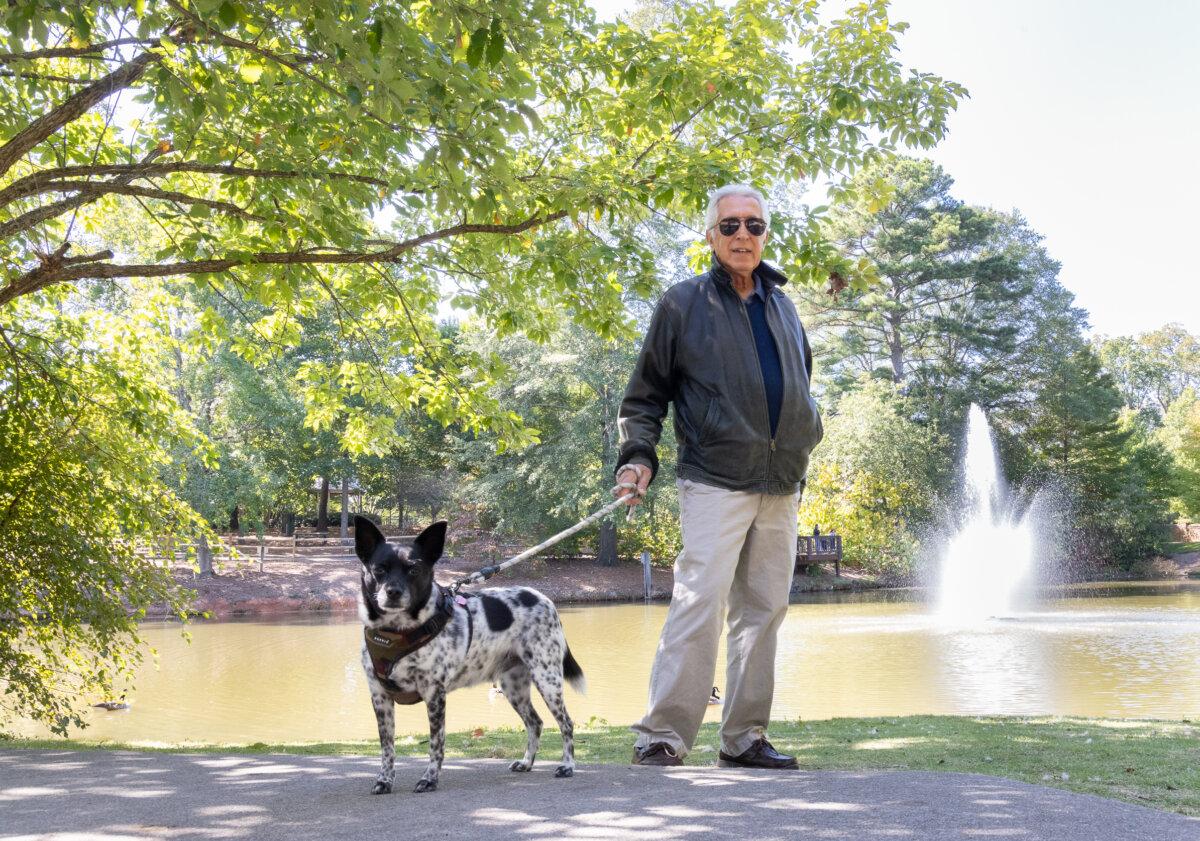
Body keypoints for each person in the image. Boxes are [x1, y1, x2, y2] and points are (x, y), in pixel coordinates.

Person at [614, 183, 823, 769]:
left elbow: (800, 384)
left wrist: (808, 430)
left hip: (781, 483)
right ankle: (663, 735)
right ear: (710, 235)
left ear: (765, 235)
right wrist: (637, 455)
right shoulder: (683, 304)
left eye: (753, 226)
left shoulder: (783, 306)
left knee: (763, 612)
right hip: (714, 478)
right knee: (698, 603)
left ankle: (745, 737)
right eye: (729, 225)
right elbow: (645, 395)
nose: (742, 236)